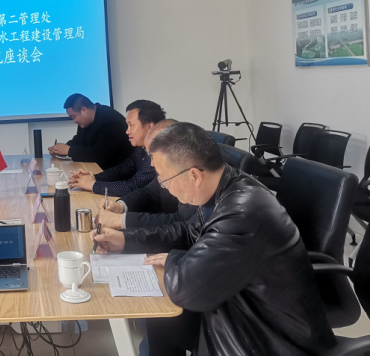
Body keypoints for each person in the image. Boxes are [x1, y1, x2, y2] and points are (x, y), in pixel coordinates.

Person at [92, 123, 336, 356]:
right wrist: (125, 239)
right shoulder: (224, 185)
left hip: (265, 333)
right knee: (162, 320)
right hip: (236, 300)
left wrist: (173, 260)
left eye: (165, 181)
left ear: (194, 176)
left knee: (167, 310)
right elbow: (188, 232)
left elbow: (186, 290)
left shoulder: (242, 212)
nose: (165, 188)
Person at [95, 119, 197, 233]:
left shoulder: (192, 174)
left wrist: (121, 220)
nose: (151, 163)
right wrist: (120, 206)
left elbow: (183, 222)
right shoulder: (165, 166)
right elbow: (150, 192)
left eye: (152, 156)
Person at [68, 100, 165, 196]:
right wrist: (93, 177)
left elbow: (132, 187)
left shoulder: (160, 154)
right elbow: (121, 170)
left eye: (131, 125)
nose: (127, 131)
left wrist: (93, 185)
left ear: (149, 126)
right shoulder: (141, 150)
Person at [48, 94, 133, 170]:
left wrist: (69, 150)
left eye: (74, 117)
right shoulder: (86, 121)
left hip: (119, 172)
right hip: (101, 169)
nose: (74, 121)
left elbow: (98, 155)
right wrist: (60, 150)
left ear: (84, 110)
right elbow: (79, 140)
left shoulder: (110, 121)